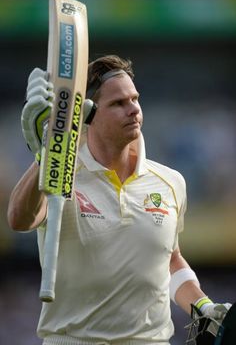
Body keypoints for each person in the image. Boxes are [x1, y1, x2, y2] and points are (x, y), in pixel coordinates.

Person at [7, 55, 231, 345]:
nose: (134, 110)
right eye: (118, 104)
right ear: (88, 115)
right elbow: (20, 219)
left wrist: (202, 306)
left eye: (135, 99)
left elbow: (169, 260)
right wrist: (47, 155)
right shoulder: (63, 175)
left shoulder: (170, 182)